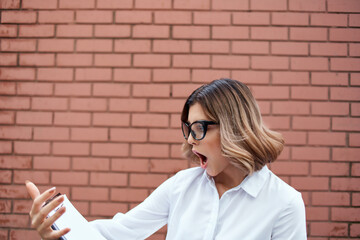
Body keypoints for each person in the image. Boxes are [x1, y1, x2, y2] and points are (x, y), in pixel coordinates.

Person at [26, 78, 307, 239]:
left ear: (234, 127)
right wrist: (59, 227)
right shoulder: (181, 186)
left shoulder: (284, 203)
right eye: (187, 129)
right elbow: (118, 232)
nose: (189, 140)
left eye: (199, 128)